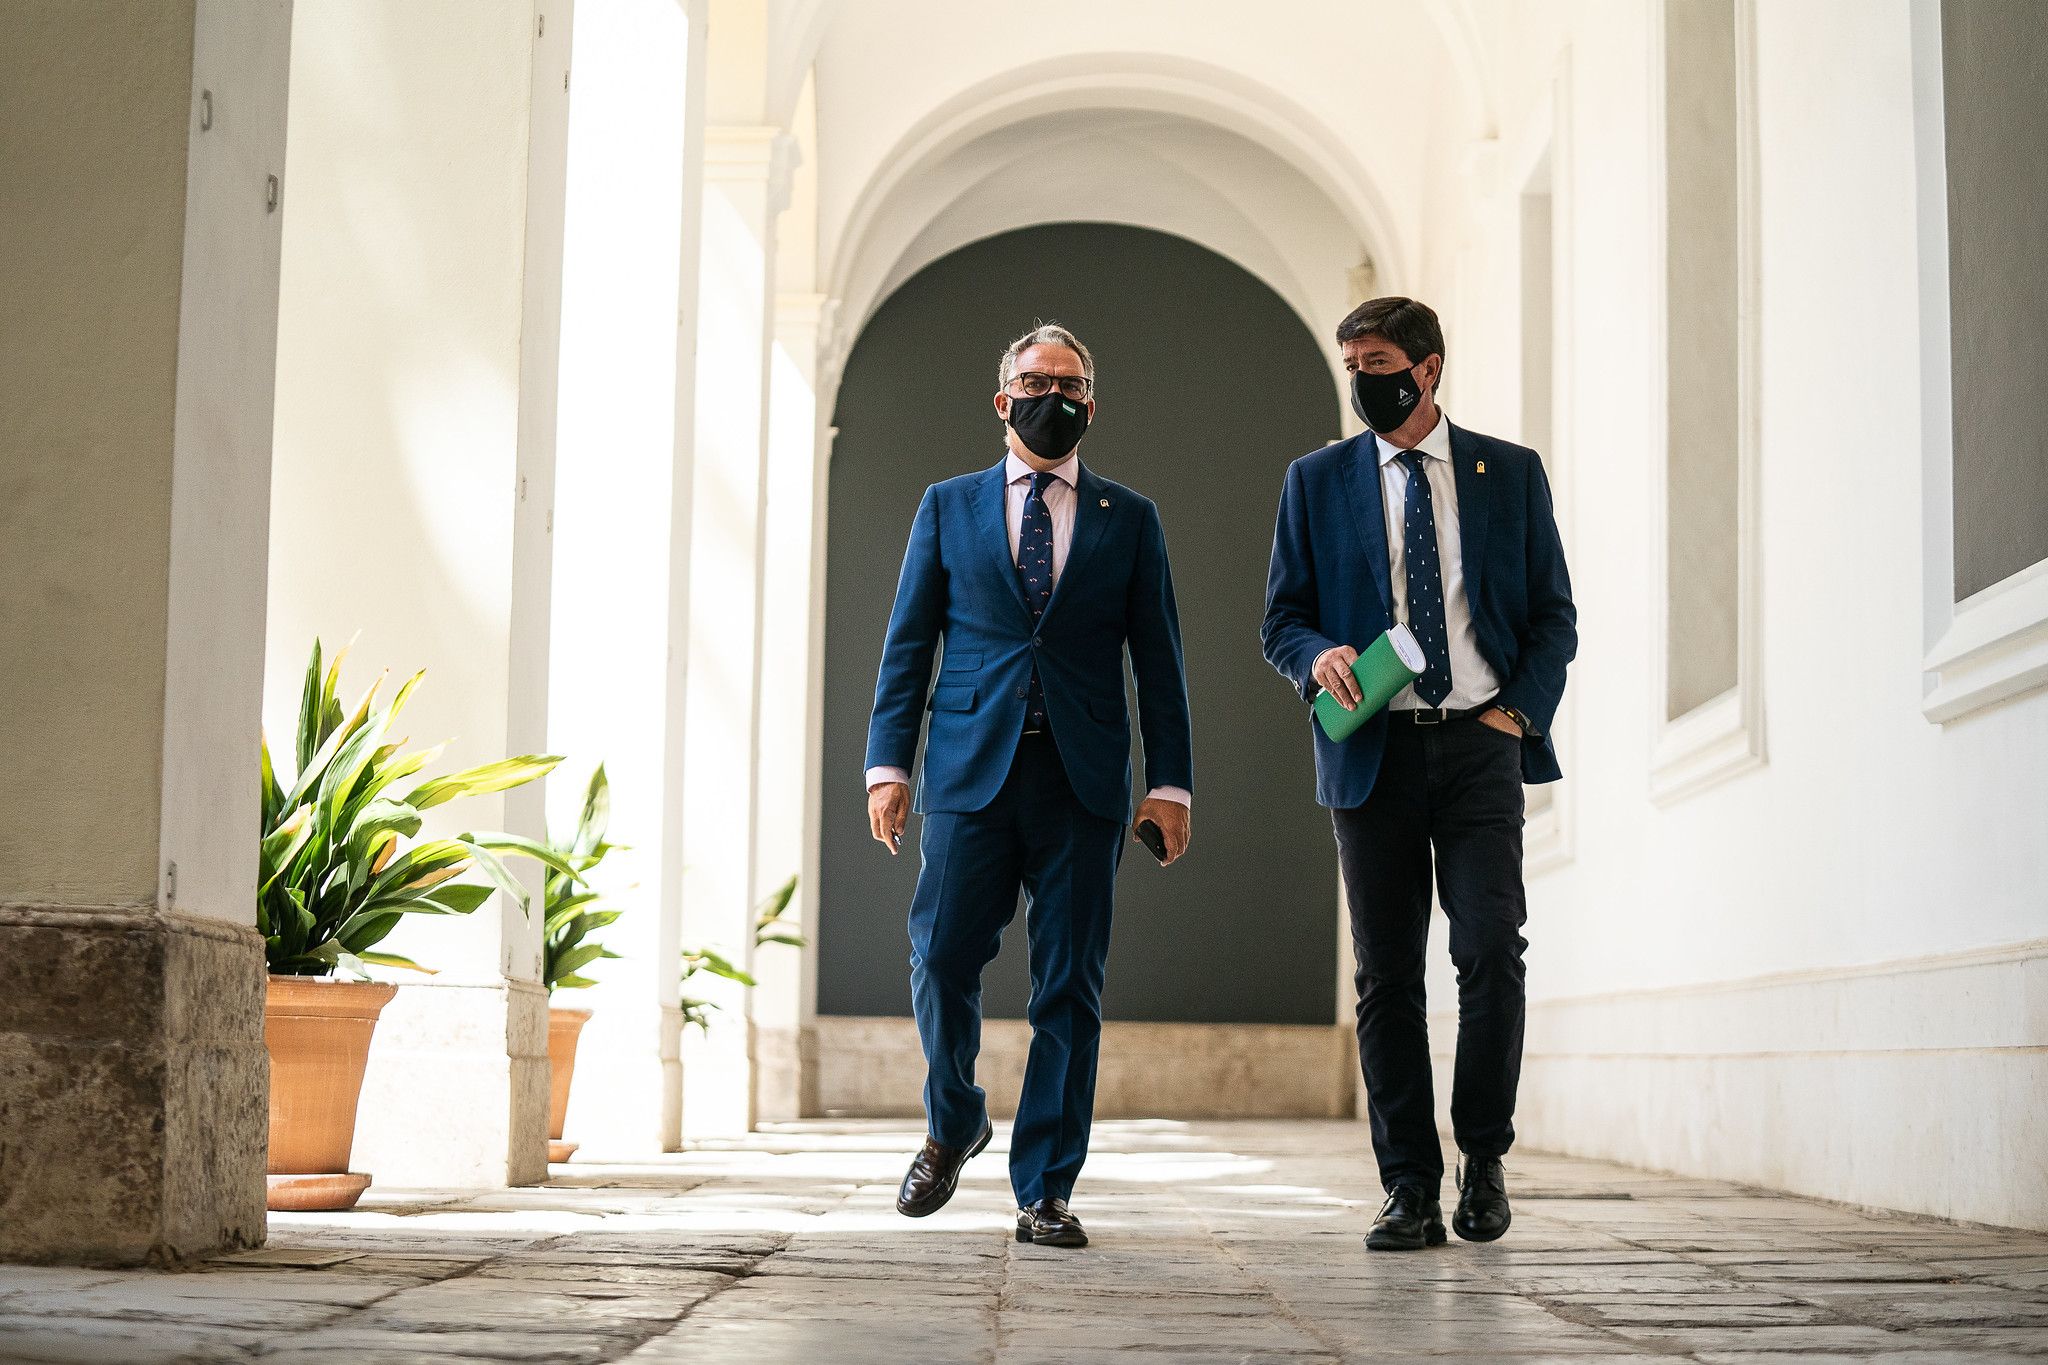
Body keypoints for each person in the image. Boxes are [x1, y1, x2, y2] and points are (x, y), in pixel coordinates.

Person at [864, 322, 1194, 1249]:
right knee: (939, 953)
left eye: (1073, 383)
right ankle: (955, 1114)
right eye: (1037, 381)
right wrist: (889, 767)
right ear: (1003, 397)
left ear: (1092, 402)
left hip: (1084, 781)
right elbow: (908, 644)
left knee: (1069, 987)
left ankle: (1044, 1185)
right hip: (970, 771)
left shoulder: (1130, 519)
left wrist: (1169, 783)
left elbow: (1159, 662)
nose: (1056, 396)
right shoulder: (947, 506)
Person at [1261, 296, 1576, 1251]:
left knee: (1489, 950)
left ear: (1428, 368)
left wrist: (1515, 714)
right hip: (1373, 751)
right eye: (1351, 360)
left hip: (1481, 741)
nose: (1362, 376)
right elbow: (1282, 618)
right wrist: (1315, 655)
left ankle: (1483, 1157)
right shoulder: (1315, 481)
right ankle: (1408, 1184)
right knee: (1387, 973)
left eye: (1379, 359)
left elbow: (1554, 616)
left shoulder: (1508, 473)